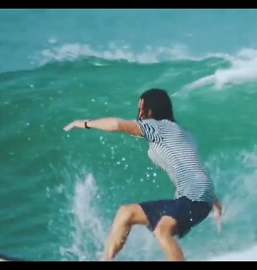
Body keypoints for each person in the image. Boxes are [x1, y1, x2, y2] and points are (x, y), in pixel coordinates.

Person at [63, 88, 222, 261]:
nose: (139, 112)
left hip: (194, 195)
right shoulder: (179, 132)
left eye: (142, 108)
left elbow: (117, 124)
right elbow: (192, 166)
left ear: (152, 109)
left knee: (162, 231)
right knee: (126, 213)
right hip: (195, 195)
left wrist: (85, 123)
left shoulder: (159, 128)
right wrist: (212, 199)